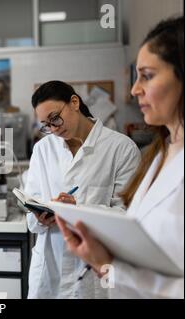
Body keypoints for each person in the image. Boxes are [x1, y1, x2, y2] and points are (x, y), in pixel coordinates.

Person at [57, 16, 184, 299]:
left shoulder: (127, 149)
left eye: (147, 76)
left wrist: (107, 265)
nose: (134, 89)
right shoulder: (162, 153)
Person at [25, 81, 141, 299]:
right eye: (46, 125)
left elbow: (128, 217)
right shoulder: (43, 149)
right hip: (51, 268)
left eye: (55, 118)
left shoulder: (121, 148)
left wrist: (77, 210)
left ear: (74, 102)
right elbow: (31, 215)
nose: (53, 128)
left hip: (93, 272)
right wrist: (40, 216)